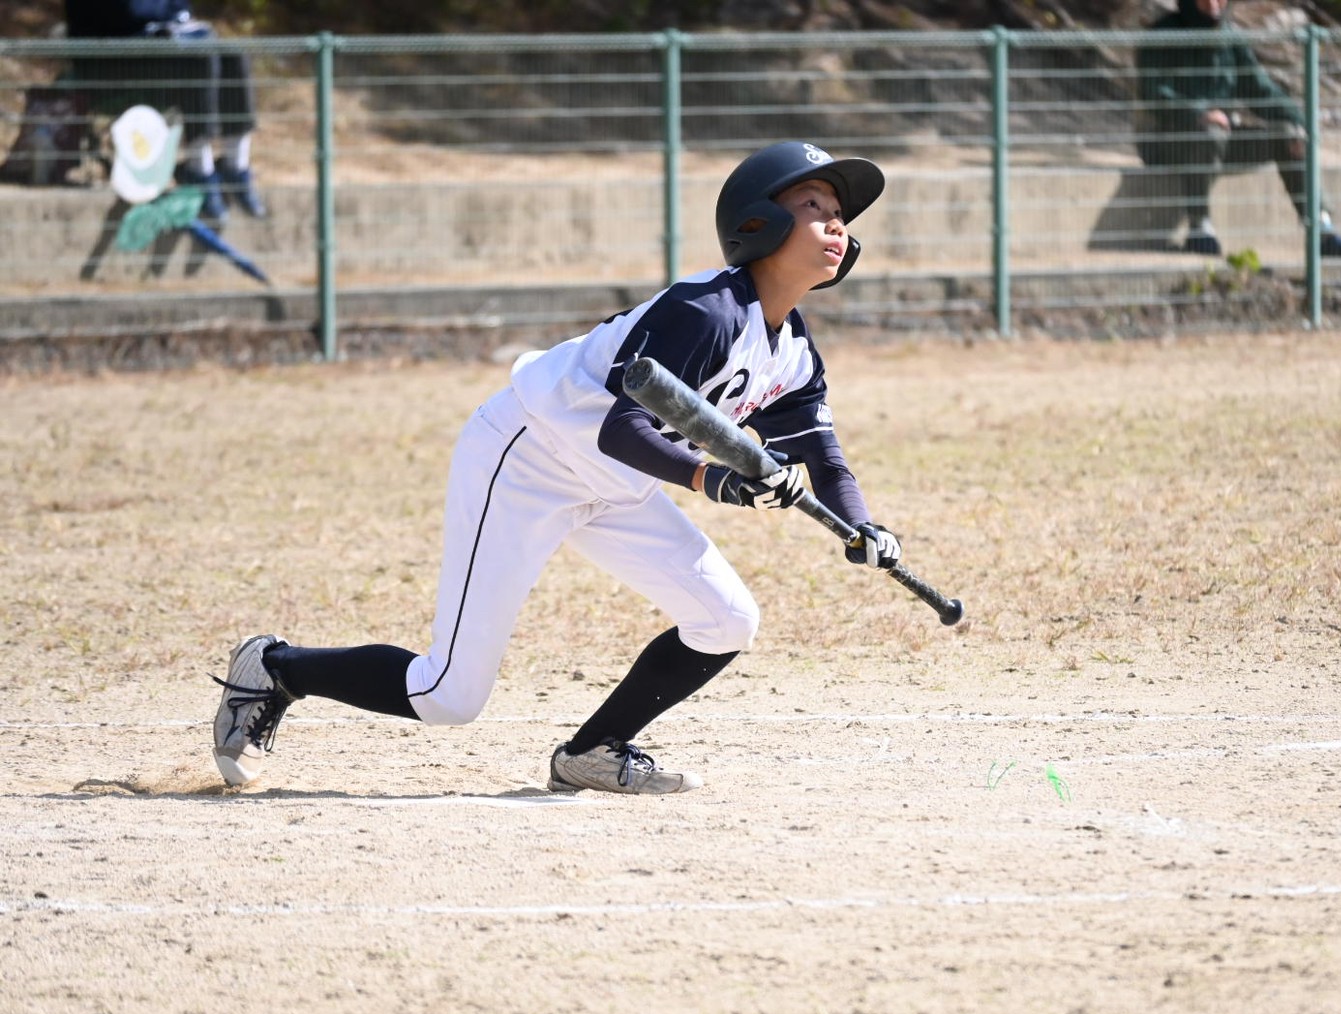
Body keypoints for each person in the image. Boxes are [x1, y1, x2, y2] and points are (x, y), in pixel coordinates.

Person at [208, 141, 905, 795]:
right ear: (762, 221)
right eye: (814, 208)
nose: (835, 225)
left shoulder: (793, 352)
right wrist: (712, 479)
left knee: (727, 620)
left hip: (615, 484)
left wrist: (864, 528)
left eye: (840, 215)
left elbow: (824, 457)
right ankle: (275, 668)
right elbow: (620, 425)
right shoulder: (706, 312)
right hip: (527, 458)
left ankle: (590, 754)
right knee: (446, 696)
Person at [1134, 0, 1341, 258]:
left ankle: (1322, 230)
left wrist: (1300, 124)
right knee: (1210, 133)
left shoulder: (1230, 36)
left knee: (1288, 136)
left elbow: (1260, 90)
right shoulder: (1162, 35)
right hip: (1167, 144)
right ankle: (1200, 229)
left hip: (1220, 141)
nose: (1213, 4)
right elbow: (1153, 93)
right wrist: (1198, 114)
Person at [64, 0, 265, 222]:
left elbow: (179, 9)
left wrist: (176, 23)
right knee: (199, 58)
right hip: (111, 60)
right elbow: (129, 13)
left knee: (233, 57)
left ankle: (235, 166)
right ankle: (199, 168)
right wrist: (163, 22)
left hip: (157, 46)